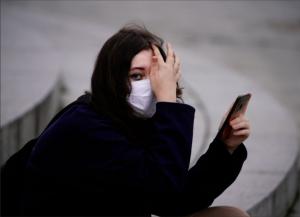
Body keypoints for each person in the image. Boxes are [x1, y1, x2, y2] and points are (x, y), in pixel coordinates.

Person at [20, 24, 250, 217]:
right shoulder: (85, 126)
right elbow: (163, 192)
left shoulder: (130, 119)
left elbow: (176, 200)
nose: (152, 86)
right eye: (137, 76)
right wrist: (168, 103)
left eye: (156, 74)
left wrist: (224, 149)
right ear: (112, 80)